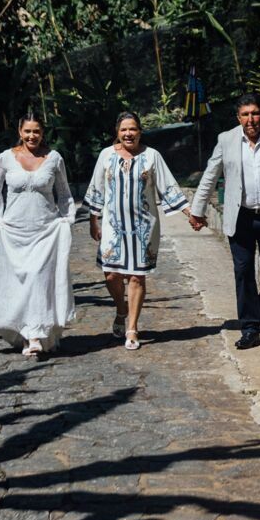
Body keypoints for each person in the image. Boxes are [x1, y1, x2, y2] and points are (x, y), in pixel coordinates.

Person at [188, 92, 260, 349]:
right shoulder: (226, 139)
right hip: (239, 217)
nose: (251, 119)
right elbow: (210, 175)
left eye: (255, 113)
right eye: (245, 114)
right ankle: (250, 328)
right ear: (238, 117)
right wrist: (197, 210)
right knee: (243, 272)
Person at [85, 112, 187, 351]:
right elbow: (97, 189)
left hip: (143, 226)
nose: (128, 134)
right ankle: (121, 310)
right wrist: (93, 220)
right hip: (112, 226)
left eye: (133, 129)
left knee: (136, 276)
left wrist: (189, 213)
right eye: (124, 130)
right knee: (111, 274)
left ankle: (132, 327)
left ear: (140, 131)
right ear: (117, 132)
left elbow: (168, 187)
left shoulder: (152, 156)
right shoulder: (106, 156)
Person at [0, 112, 75, 357]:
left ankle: (36, 334)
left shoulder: (54, 158)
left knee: (38, 280)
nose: (32, 136)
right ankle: (23, 332)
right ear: (20, 132)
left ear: (43, 133)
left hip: (45, 231)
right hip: (14, 232)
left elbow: (63, 193)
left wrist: (66, 219)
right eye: (28, 131)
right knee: (18, 284)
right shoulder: (5, 158)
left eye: (37, 131)